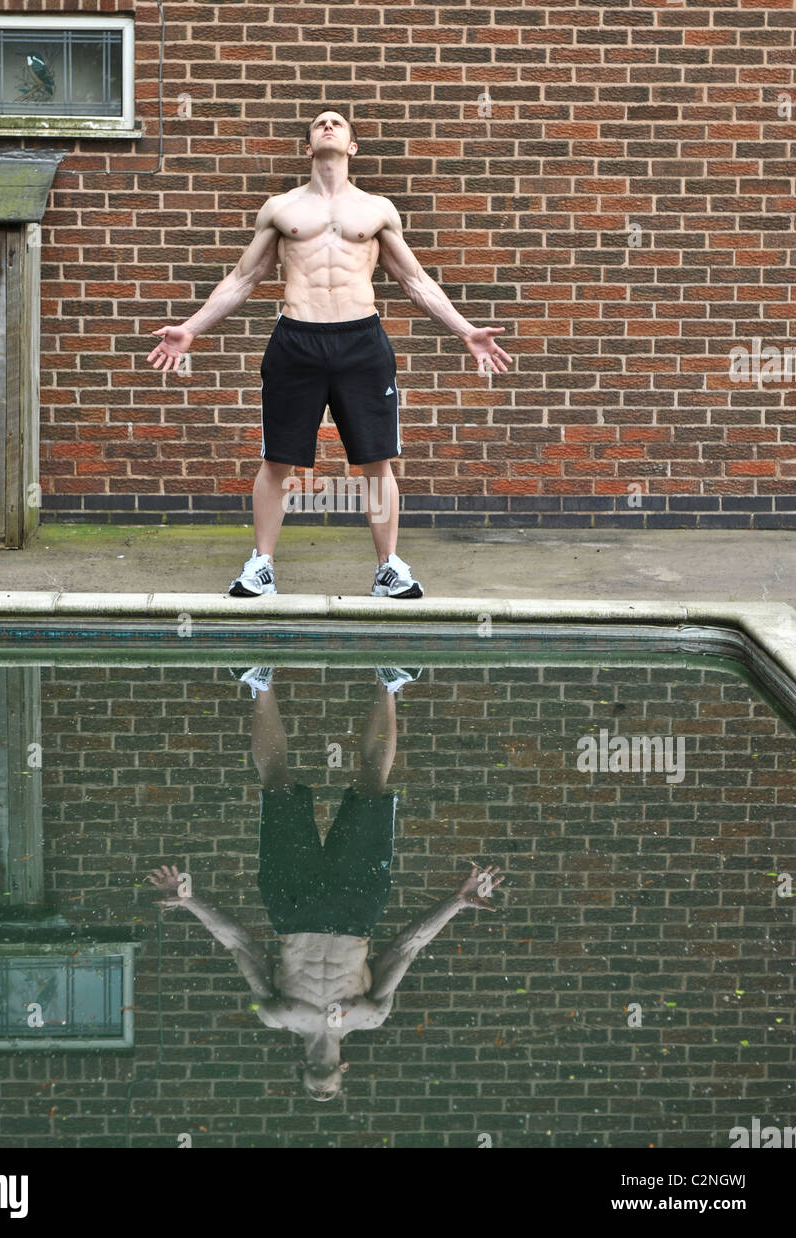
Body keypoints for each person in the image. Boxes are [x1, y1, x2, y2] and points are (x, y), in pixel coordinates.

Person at [147, 108, 512, 598]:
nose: (328, 126)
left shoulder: (377, 210)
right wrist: (190, 329)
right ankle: (261, 566)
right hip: (296, 341)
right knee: (278, 459)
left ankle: (388, 569)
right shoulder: (280, 209)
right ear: (308, 147)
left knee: (376, 459)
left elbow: (415, 281)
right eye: (319, 123)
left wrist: (465, 330)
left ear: (352, 146)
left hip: (362, 343)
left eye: (338, 123)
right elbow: (243, 278)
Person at [146, 664, 506, 1101]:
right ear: (343, 1068)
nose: (322, 1085)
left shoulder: (276, 1015)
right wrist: (457, 901)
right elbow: (407, 947)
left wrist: (190, 901)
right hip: (356, 912)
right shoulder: (370, 1016)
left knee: (277, 787)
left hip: (292, 910)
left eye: (314, 1084)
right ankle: (388, 683)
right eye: (331, 1085)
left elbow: (239, 944)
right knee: (372, 788)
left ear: (301, 1066)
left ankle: (261, 683)